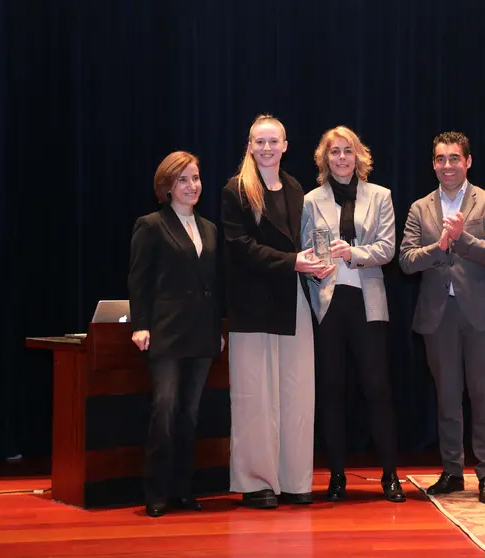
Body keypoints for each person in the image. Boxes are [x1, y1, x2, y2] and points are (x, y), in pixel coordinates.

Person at [221, 114, 334, 509]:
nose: (267, 148)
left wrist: (317, 264)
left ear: (286, 146)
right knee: (255, 396)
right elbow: (241, 248)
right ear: (249, 146)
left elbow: (305, 244)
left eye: (274, 141)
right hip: (251, 304)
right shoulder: (235, 191)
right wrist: (294, 262)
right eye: (259, 142)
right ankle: (256, 483)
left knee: (297, 392)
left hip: (292, 300)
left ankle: (294, 479)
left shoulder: (295, 188)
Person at [399, 131, 485, 505]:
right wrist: (441, 246)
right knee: (447, 398)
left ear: (468, 161)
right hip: (438, 316)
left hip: (481, 316)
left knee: (483, 398)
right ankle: (451, 471)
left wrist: (462, 239)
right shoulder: (419, 208)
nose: (447, 165)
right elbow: (406, 261)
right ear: (433, 164)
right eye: (440, 159)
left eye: (454, 158)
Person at [302, 125, 404, 503]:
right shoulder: (311, 200)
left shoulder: (380, 196)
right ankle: (337, 476)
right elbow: (306, 251)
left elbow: (388, 249)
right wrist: (317, 265)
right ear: (324, 159)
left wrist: (352, 253)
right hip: (329, 304)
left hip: (367, 301)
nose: (341, 158)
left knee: (377, 389)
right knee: (331, 392)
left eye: (347, 151)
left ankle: (390, 475)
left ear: (359, 156)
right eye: (334, 152)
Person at [128, 151, 223, 518]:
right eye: (183, 179)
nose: (191, 186)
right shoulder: (150, 225)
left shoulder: (210, 228)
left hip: (201, 334)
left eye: (196, 178)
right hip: (166, 333)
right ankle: (157, 492)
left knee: (190, 413)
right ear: (167, 186)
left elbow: (214, 286)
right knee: (164, 411)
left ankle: (184, 490)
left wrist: (217, 330)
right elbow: (139, 279)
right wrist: (140, 324)